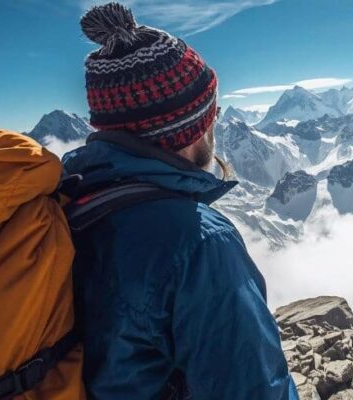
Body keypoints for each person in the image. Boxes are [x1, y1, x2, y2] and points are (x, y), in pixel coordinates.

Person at [61, 3, 298, 398]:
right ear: (192, 126)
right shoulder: (200, 241)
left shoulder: (66, 197)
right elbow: (252, 388)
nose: (216, 120)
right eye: (213, 111)